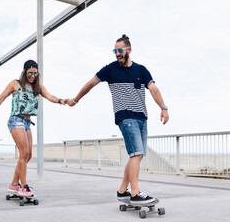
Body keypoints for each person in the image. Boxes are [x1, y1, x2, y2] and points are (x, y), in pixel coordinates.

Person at [67, 34, 169, 204]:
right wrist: (76, 99)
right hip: (125, 117)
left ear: (129, 50)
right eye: (115, 51)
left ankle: (123, 190)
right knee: (136, 153)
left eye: (120, 50)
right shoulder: (110, 69)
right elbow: (90, 84)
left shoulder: (141, 70)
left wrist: (163, 108)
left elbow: (154, 89)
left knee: (138, 155)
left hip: (142, 117)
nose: (117, 54)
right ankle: (135, 193)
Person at [0, 59, 66, 197]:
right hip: (16, 120)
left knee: (28, 155)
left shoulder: (38, 87)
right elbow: (1, 98)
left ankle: (14, 184)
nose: (33, 76)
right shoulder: (15, 84)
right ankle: (23, 186)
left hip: (27, 123)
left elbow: (50, 96)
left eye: (35, 73)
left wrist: (61, 101)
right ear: (24, 72)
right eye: (30, 73)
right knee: (23, 153)